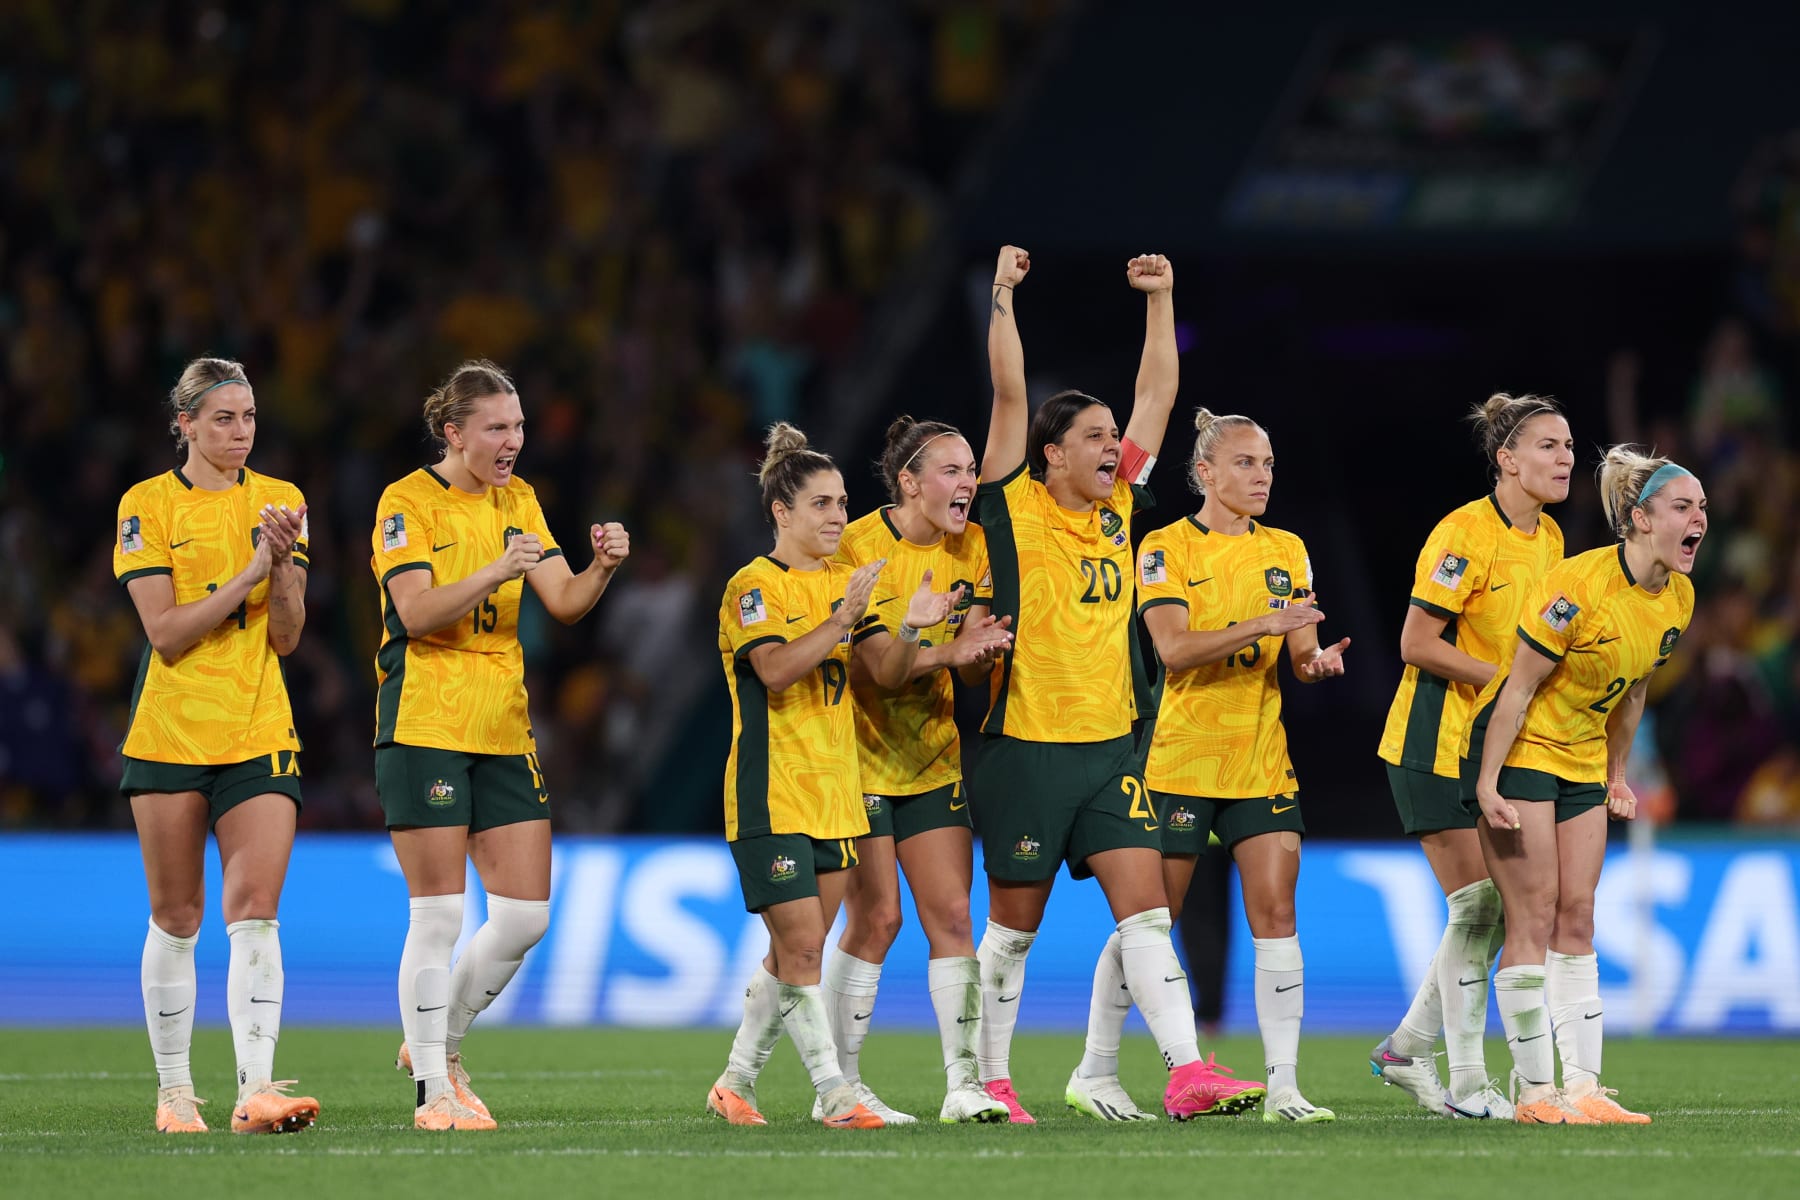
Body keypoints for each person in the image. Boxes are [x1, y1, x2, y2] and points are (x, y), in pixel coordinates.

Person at [968, 246, 1264, 1123]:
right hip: (1022, 746)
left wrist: (1163, 299)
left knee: (1146, 916)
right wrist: (1002, 300)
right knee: (1012, 935)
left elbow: (1160, 395)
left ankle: (1183, 1072)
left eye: (1113, 438)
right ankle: (986, 1079)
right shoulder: (1011, 507)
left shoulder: (1117, 508)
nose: (1114, 449)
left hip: (1108, 748)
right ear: (1049, 455)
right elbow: (1010, 395)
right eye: (1094, 439)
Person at [1072, 407, 1351, 1124]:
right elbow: (1174, 649)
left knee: (1278, 915)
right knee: (1148, 923)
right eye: (1245, 464)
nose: (1262, 478)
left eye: (1267, 465)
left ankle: (1284, 1087)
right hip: (1179, 762)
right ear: (1205, 472)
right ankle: (1095, 1067)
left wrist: (1317, 664)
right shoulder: (1165, 548)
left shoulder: (1287, 549)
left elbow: (1298, 652)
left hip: (1260, 760)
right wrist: (1263, 623)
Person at [374, 360, 630, 1131]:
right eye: (497, 427)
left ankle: (438, 1045)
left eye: (517, 426)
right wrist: (495, 570)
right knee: (440, 916)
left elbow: (564, 602)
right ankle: (433, 1095)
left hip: (502, 726)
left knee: (525, 918)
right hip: (425, 722)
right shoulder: (406, 502)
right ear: (454, 432)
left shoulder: (521, 500)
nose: (513, 440)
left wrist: (602, 568)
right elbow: (415, 613)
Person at [706, 423, 964, 1129]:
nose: (838, 518)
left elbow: (884, 668)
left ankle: (734, 1083)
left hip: (837, 795)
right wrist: (841, 618)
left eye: (843, 503)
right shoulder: (753, 587)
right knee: (797, 948)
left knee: (799, 950)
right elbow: (777, 669)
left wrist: (910, 626)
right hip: (773, 794)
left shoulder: (845, 585)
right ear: (781, 512)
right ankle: (836, 1093)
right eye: (821, 504)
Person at [1467, 445, 1705, 1124]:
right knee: (1534, 913)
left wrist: (1618, 774)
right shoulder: (1577, 587)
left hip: (1580, 762)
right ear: (1639, 517)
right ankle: (1535, 1093)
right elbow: (1515, 690)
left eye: (1703, 509)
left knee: (1578, 914)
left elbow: (1633, 691)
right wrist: (1487, 782)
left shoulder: (1679, 599)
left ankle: (1586, 1089)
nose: (1700, 520)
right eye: (1684, 506)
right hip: (1522, 754)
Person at [114, 357, 318, 1135]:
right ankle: (174, 1096)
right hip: (171, 730)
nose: (241, 432)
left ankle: (256, 1091)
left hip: (259, 725)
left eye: (251, 418)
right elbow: (165, 635)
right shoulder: (148, 505)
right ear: (186, 425)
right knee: (177, 916)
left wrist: (288, 572)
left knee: (257, 912)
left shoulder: (283, 501)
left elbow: (289, 637)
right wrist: (250, 572)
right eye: (225, 419)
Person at [1370, 395, 1572, 1120]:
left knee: (1490, 910)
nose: (1566, 459)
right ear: (1507, 460)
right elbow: (1416, 643)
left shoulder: (1550, 541)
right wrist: (1510, 685)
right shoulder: (1463, 534)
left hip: (1494, 748)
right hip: (1433, 741)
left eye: (1570, 447)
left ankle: (1405, 1049)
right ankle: (1462, 1081)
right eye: (1548, 446)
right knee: (1480, 905)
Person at [816, 416, 1015, 1125]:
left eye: (970, 472)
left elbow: (965, 663)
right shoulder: (856, 547)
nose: (967, 485)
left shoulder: (977, 548)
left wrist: (980, 650)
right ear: (908, 482)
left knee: (954, 916)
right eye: (951, 472)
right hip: (861, 757)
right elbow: (877, 672)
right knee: (875, 918)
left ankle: (964, 1085)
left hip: (933, 758)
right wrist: (945, 652)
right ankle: (841, 1088)